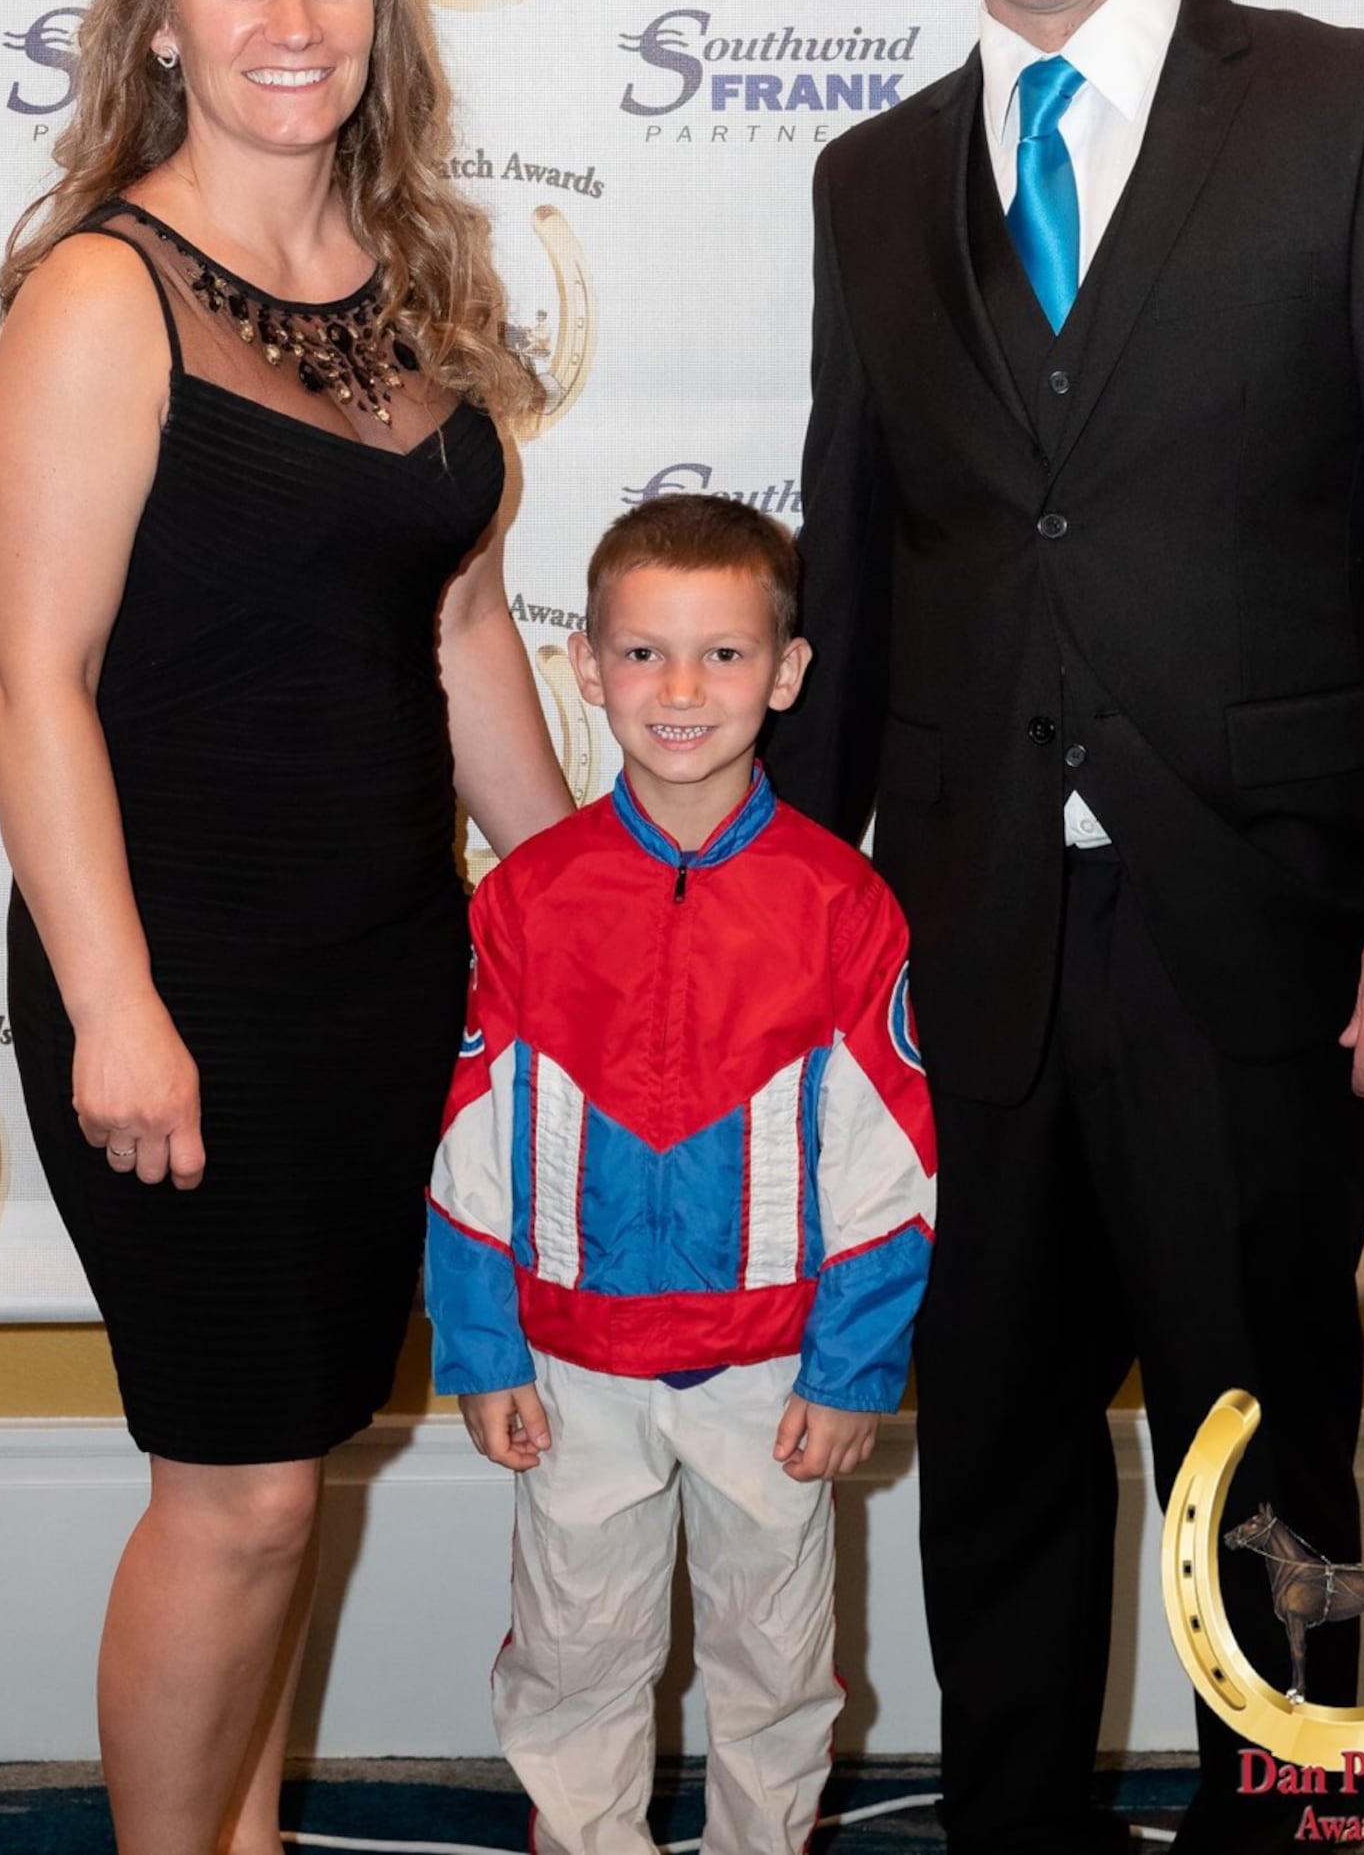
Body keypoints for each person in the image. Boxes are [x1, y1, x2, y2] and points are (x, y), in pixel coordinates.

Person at [765, 0, 1364, 1853]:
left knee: (1268, 1453)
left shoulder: (1355, 112)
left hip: (1268, 935)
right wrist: (786, 935)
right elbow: (859, 563)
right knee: (994, 1441)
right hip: (966, 938)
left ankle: (1282, 1833)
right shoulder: (869, 180)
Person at [0, 0, 573, 1855]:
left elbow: (468, 622)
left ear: (377, 10)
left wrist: (590, 910)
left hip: (387, 976)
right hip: (182, 982)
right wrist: (116, 1005)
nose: (290, 14)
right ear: (161, 15)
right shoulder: (98, 296)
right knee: (229, 1488)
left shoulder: (404, 295)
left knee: (289, 1469)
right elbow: (30, 678)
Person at [426, 494, 936, 1855]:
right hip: (574, 1364)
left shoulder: (843, 904)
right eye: (643, 653)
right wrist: (483, 1344)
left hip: (771, 1370)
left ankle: (767, 1837)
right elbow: (471, 1139)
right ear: (585, 665)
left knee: (777, 1654)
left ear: (786, 671)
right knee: (579, 1642)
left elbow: (892, 1164)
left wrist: (850, 1366)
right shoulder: (528, 899)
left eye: (721, 654)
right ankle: (584, 1834)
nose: (679, 689)